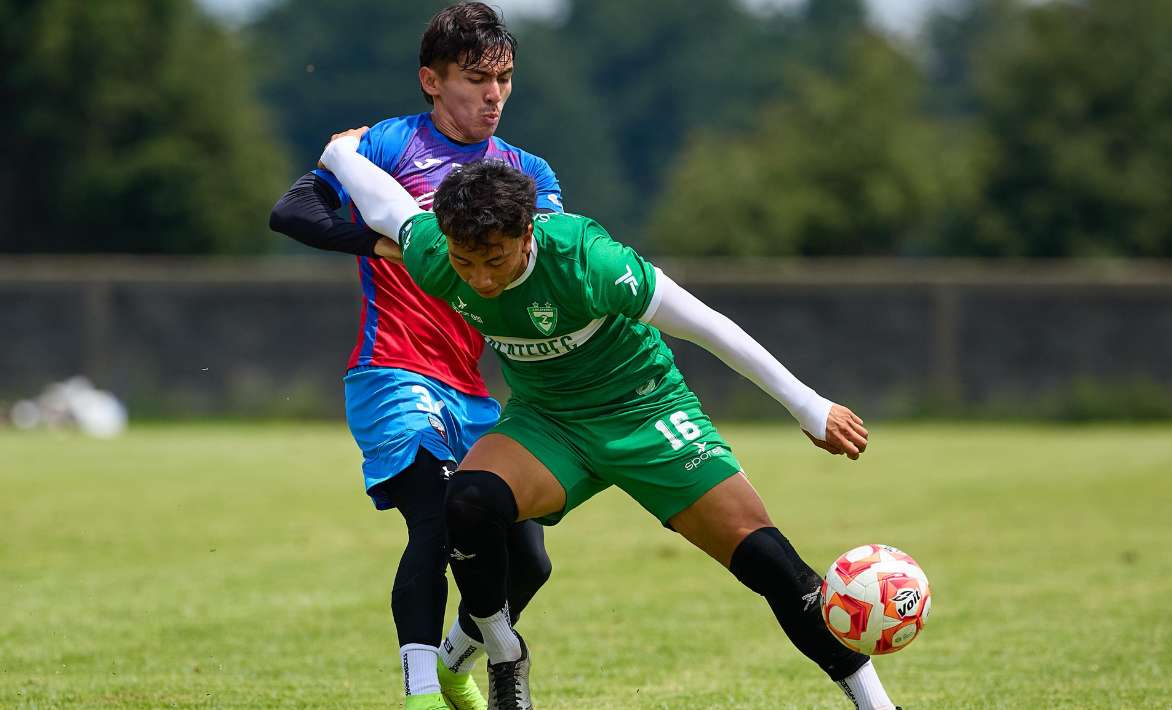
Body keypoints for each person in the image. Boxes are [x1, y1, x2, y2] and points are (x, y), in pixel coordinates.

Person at [319, 131, 904, 709]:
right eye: (466, 261)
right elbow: (387, 206)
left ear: (528, 233)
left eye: (494, 259)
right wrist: (340, 151)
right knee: (467, 503)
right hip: (547, 423)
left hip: (646, 413)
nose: (481, 279)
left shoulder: (588, 260)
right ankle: (503, 650)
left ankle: (879, 706)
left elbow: (709, 326)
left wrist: (809, 406)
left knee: (770, 565)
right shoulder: (438, 254)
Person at [267, 5, 560, 709]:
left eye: (505, 79)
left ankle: (462, 655)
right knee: (433, 518)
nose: (493, 95)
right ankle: (422, 693)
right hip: (390, 372)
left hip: (471, 390)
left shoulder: (526, 171)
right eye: (475, 80)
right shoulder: (387, 146)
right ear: (431, 80)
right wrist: (382, 243)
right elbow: (292, 210)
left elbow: (543, 262)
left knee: (529, 560)